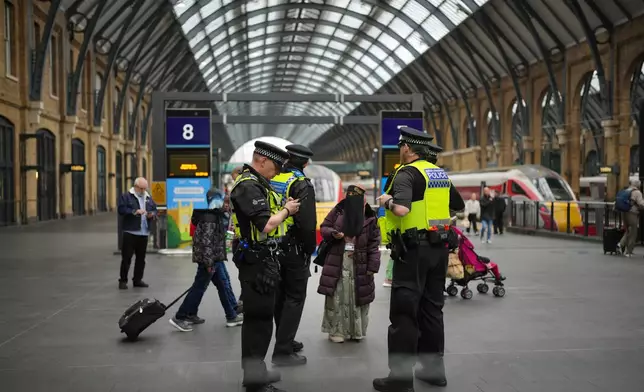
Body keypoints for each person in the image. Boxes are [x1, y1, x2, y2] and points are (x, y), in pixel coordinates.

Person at [373, 126, 464, 392]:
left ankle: (400, 379)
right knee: (432, 310)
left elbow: (401, 209)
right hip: (439, 250)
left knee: (404, 314)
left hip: (413, 251)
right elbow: (456, 205)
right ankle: (434, 372)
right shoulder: (439, 174)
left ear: (407, 148)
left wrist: (386, 200)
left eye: (401, 147)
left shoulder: (406, 173)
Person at [230, 141, 301, 392]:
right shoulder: (248, 186)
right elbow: (266, 225)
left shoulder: (258, 183)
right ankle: (254, 381)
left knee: (260, 319)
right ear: (262, 160)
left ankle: (256, 372)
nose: (277, 171)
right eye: (275, 166)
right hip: (255, 262)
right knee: (258, 321)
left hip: (263, 259)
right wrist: (287, 210)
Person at [169, 189, 243, 332]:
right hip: (210, 258)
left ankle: (230, 314)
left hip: (213, 257)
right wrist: (209, 263)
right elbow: (207, 241)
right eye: (225, 202)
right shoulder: (210, 218)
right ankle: (180, 316)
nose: (227, 206)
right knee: (202, 286)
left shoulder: (214, 215)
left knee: (222, 284)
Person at [270, 144, 317, 366]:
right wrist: (309, 249)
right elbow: (307, 223)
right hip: (293, 247)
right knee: (295, 298)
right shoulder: (300, 183)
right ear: (306, 163)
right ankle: (283, 351)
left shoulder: (275, 178)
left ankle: (285, 339)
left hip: (273, 245)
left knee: (280, 296)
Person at [318, 185, 381, 342]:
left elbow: (374, 244)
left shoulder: (370, 218)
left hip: (360, 263)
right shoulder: (338, 211)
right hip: (338, 260)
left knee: (357, 296)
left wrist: (373, 266)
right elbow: (324, 227)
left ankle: (355, 331)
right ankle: (337, 331)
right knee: (338, 296)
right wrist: (334, 234)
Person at [117, 177, 157, 290]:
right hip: (130, 231)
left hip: (143, 232)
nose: (144, 190)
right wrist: (134, 212)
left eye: (145, 188)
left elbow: (154, 208)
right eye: (142, 188)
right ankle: (123, 280)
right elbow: (121, 210)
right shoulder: (126, 196)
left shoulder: (148, 197)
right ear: (136, 186)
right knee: (127, 257)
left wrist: (152, 214)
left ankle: (137, 280)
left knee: (141, 258)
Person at [618, 179, 644, 257]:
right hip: (632, 213)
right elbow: (641, 203)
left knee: (628, 230)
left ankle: (620, 244)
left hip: (623, 212)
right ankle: (628, 251)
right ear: (638, 185)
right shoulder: (637, 192)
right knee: (633, 232)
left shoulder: (626, 190)